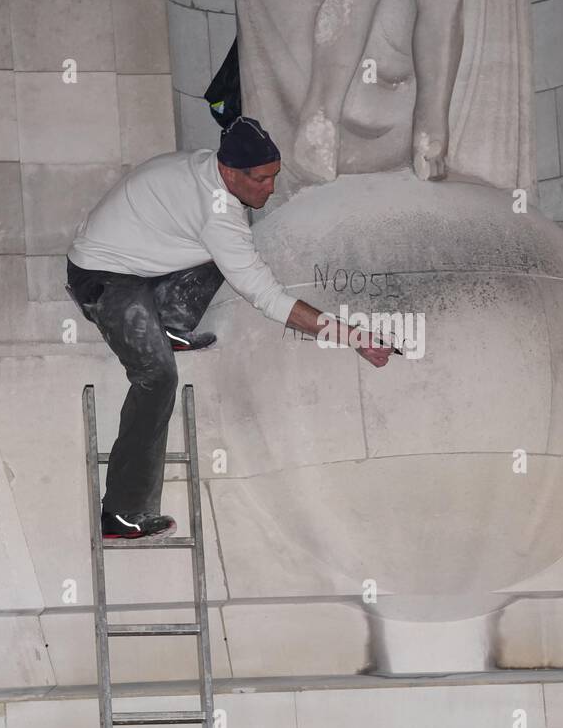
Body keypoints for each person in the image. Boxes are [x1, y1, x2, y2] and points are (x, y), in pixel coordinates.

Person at [66, 116, 394, 539]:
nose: (269, 189)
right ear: (230, 171)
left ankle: (167, 321)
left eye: (274, 178)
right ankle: (122, 512)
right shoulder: (217, 216)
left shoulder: (208, 172)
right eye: (260, 180)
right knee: (157, 376)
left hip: (139, 260)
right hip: (102, 277)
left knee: (233, 254)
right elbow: (269, 298)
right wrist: (351, 337)